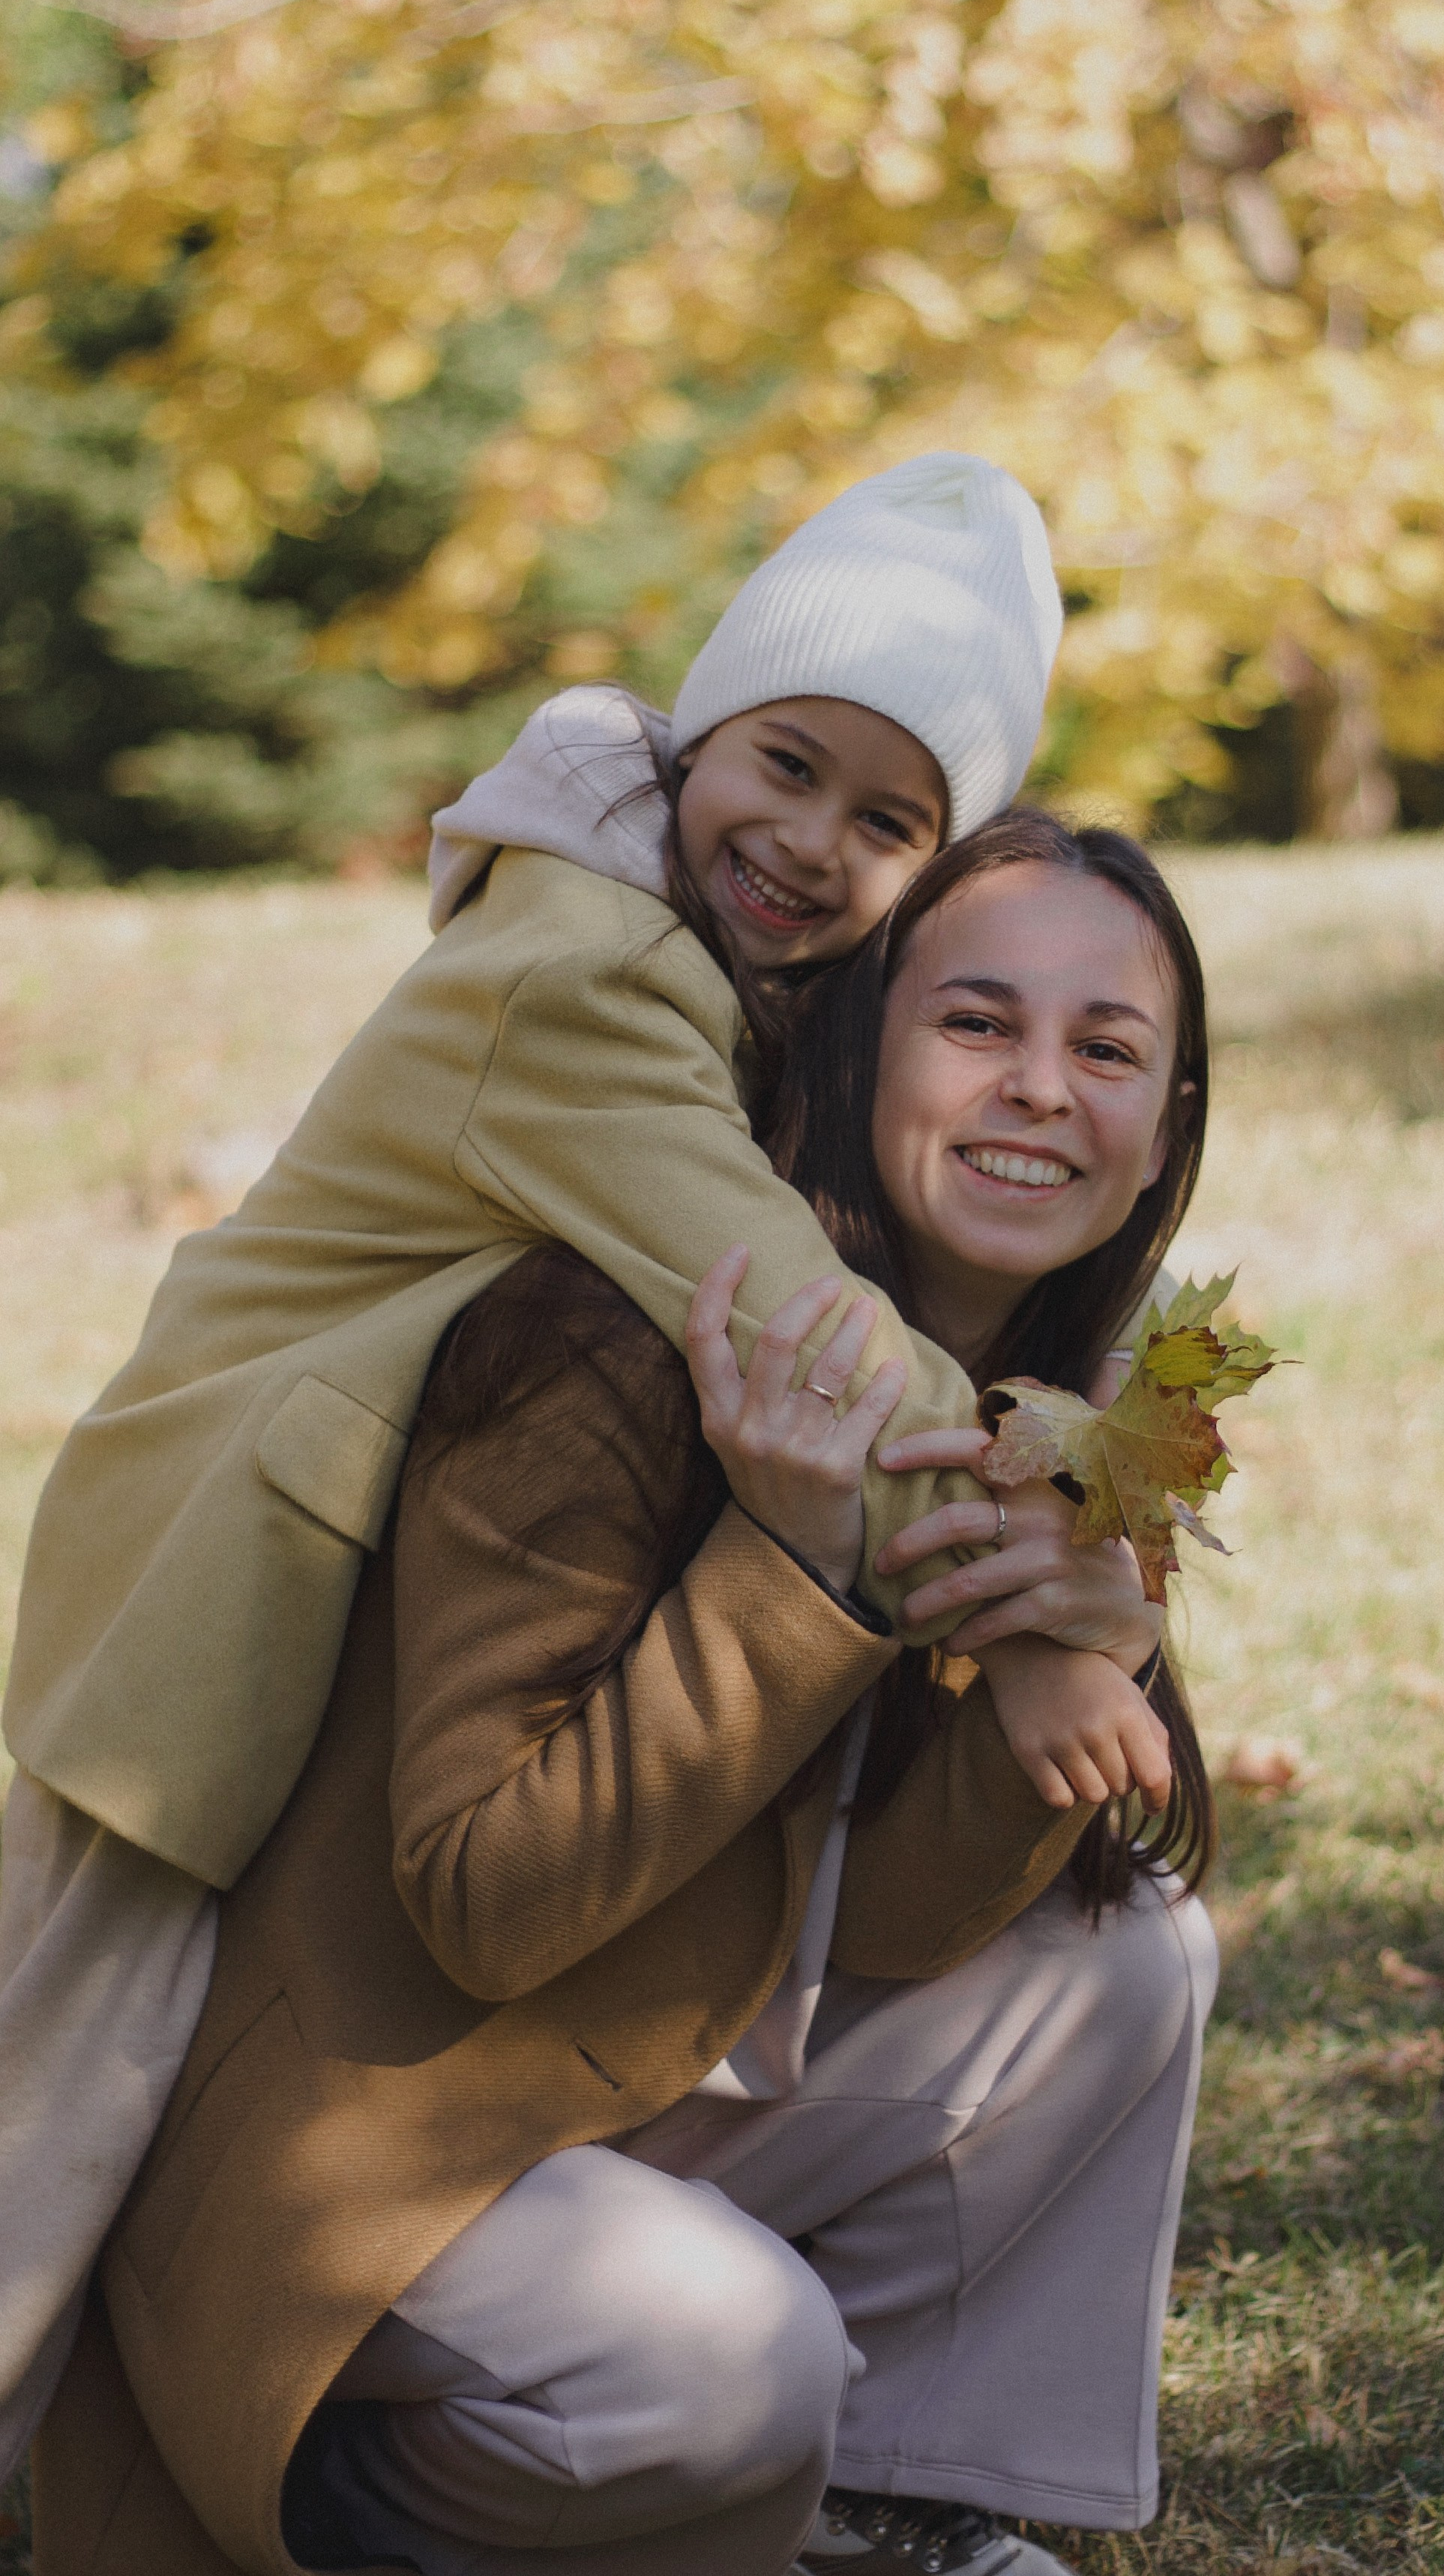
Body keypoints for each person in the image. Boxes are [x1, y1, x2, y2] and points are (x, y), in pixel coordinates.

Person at [0, 453, 1108, 2472]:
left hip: (280, 1557)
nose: (805, 842)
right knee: (62, 2090)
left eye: (886, 822)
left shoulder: (685, 961)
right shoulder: (580, 978)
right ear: (699, 729)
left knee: (82, 2079)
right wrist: (1048, 1531)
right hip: (202, 1591)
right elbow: (784, 1314)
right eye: (780, 762)